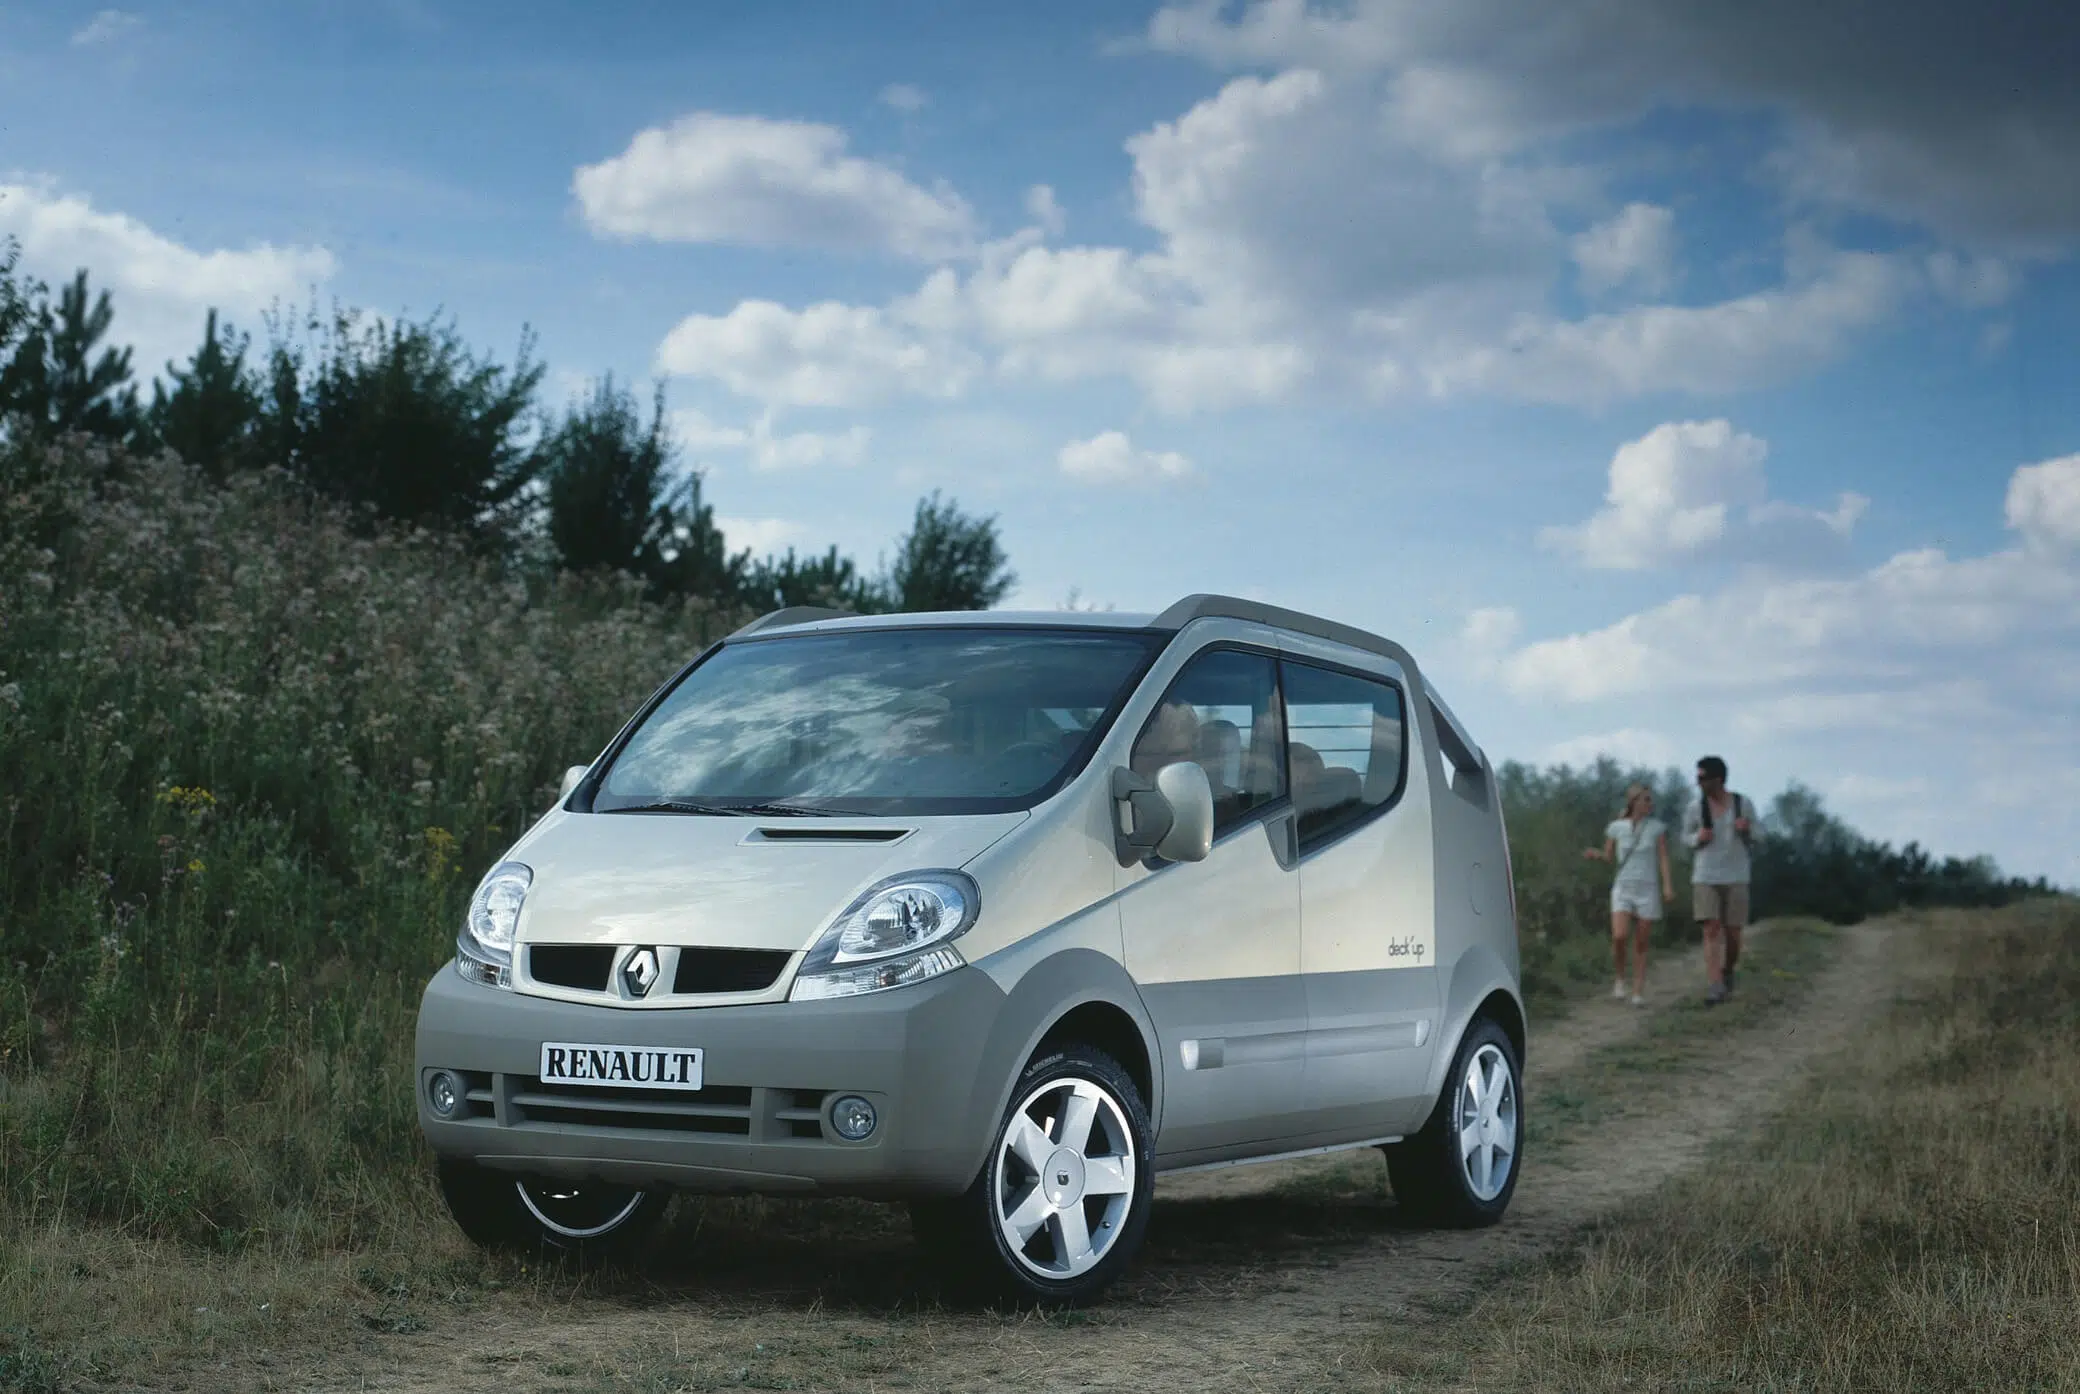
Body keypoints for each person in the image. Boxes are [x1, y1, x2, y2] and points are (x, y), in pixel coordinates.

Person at [1582, 782, 1673, 1006]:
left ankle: (1638, 990)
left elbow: (1663, 857)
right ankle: (1620, 978)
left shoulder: (1656, 828)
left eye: (1650, 800)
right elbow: (1609, 856)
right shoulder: (1617, 827)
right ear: (1634, 802)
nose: (1650, 804)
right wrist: (1597, 855)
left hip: (1647, 887)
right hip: (1623, 886)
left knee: (1641, 941)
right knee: (1619, 936)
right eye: (1646, 799)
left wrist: (1667, 885)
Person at [1682, 755, 1755, 1006]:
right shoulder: (1695, 808)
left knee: (1733, 933)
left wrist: (1748, 829)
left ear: (1718, 779)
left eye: (1702, 777)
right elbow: (1685, 836)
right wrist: (1696, 838)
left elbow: (1762, 835)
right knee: (1711, 928)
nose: (1698, 782)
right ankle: (1715, 985)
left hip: (1736, 875)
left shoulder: (1742, 803)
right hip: (1705, 876)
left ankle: (1728, 971)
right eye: (1697, 777)